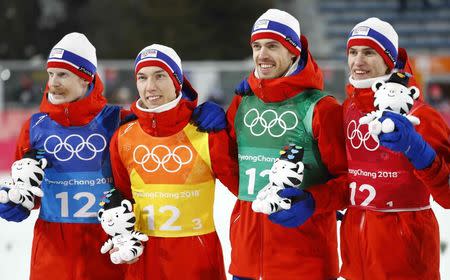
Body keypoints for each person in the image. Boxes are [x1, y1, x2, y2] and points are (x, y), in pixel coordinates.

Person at [0, 33, 225, 280]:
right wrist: (15, 204)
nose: (53, 82)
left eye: (62, 74)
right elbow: (28, 193)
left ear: (86, 78)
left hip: (108, 257)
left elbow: (160, 121)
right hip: (52, 259)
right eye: (50, 74)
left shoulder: (117, 122)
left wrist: (198, 110)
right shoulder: (34, 127)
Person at [304, 17, 450, 279]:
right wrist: (310, 201)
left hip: (406, 262)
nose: (358, 61)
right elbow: (346, 183)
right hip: (355, 257)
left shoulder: (421, 116)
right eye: (353, 52)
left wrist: (420, 153)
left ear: (390, 61)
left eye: (369, 52)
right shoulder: (347, 110)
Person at [228, 9, 348, 280]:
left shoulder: (321, 108)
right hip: (246, 262)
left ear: (293, 52)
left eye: (272, 46)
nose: (261, 55)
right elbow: (226, 165)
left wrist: (313, 202)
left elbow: (349, 181)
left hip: (305, 264)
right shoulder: (242, 102)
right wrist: (203, 123)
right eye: (256, 46)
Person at [108, 43, 239, 280]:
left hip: (196, 262)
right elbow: (120, 199)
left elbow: (245, 188)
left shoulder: (206, 132)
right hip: (143, 261)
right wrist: (120, 236)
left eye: (160, 76)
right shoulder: (123, 136)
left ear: (177, 81)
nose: (150, 87)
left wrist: (230, 128)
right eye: (142, 77)